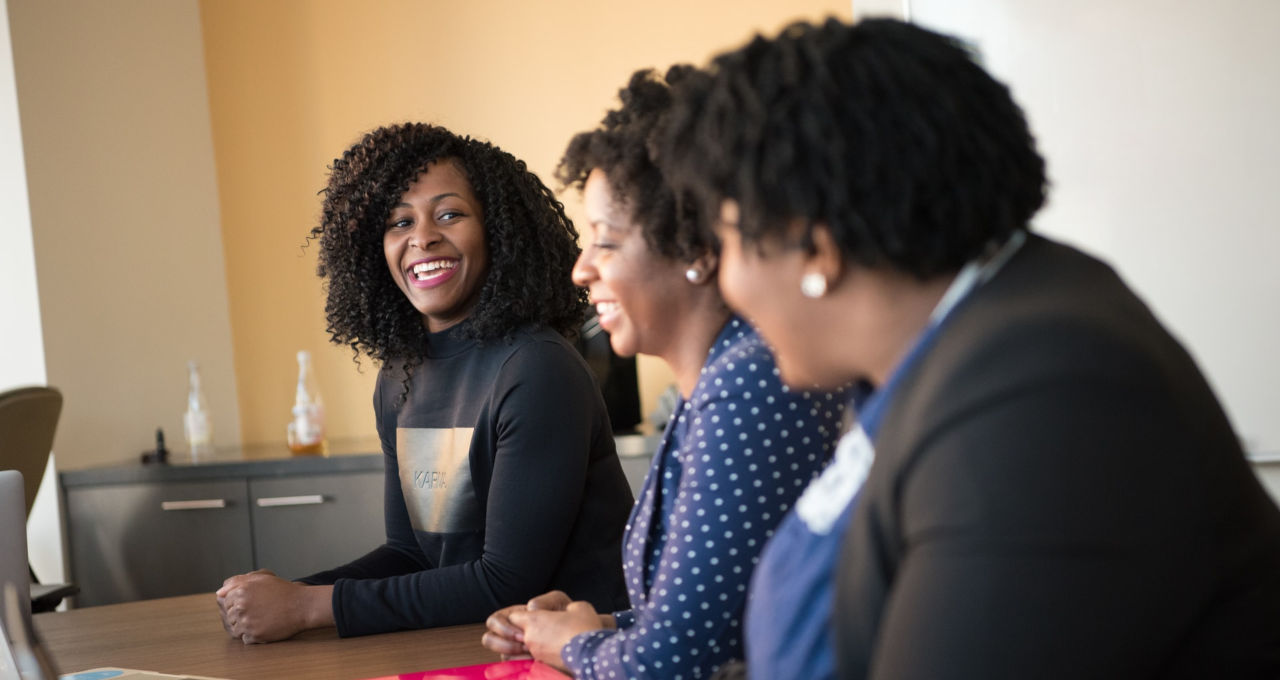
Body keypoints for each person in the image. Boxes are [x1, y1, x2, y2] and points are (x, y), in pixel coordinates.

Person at [661, 17, 1280, 680]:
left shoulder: (1044, 388)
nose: (727, 280)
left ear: (814, 246)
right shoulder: (957, 346)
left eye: (726, 243)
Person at [480, 67, 847, 678]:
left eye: (605, 240)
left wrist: (571, 647)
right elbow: (720, 620)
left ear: (697, 249)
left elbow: (672, 664)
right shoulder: (723, 377)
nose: (581, 269)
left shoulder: (747, 384)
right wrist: (591, 626)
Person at [216, 123, 634, 643]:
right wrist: (287, 594)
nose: (422, 237)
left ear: (498, 231)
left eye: (450, 214)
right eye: (399, 222)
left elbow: (504, 581)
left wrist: (307, 606)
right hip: (467, 642)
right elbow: (411, 554)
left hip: (581, 658)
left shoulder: (536, 368)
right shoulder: (400, 374)